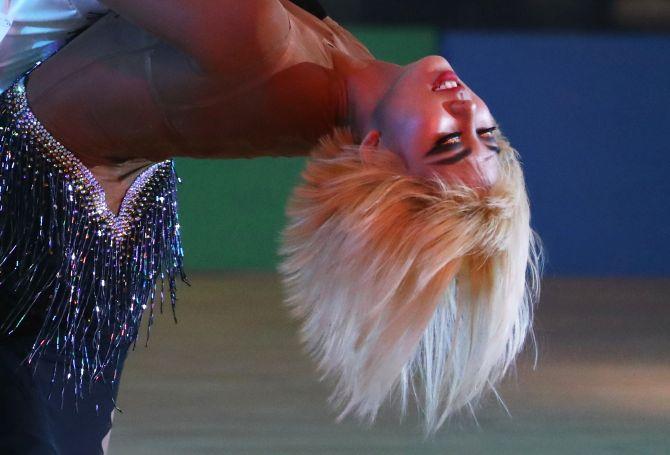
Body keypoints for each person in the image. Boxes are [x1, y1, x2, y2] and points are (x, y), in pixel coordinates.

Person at [0, 0, 541, 451]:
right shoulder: (340, 74)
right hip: (81, 231)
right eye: (486, 134)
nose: (467, 111)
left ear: (377, 158)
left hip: (32, 233)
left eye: (446, 142)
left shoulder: (258, 46)